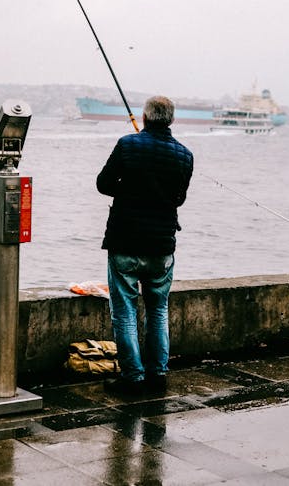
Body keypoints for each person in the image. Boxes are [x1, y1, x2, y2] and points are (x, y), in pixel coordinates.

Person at [96, 95, 194, 395]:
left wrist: (129, 185)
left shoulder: (128, 145)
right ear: (172, 120)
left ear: (145, 116)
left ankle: (133, 377)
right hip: (162, 244)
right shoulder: (185, 155)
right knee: (158, 310)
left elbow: (103, 184)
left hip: (126, 240)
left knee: (124, 312)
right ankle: (158, 374)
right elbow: (178, 198)